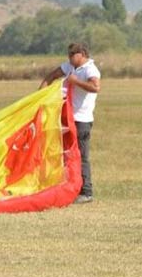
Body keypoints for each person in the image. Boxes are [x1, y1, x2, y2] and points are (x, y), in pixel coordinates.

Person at [40, 42, 101, 204]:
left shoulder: (90, 69)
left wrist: (75, 82)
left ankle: (86, 192)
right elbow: (51, 76)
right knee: (65, 154)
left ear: (81, 54)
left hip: (82, 120)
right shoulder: (69, 67)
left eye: (72, 55)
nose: (69, 58)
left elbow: (96, 87)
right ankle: (69, 187)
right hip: (67, 118)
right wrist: (40, 96)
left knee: (81, 156)